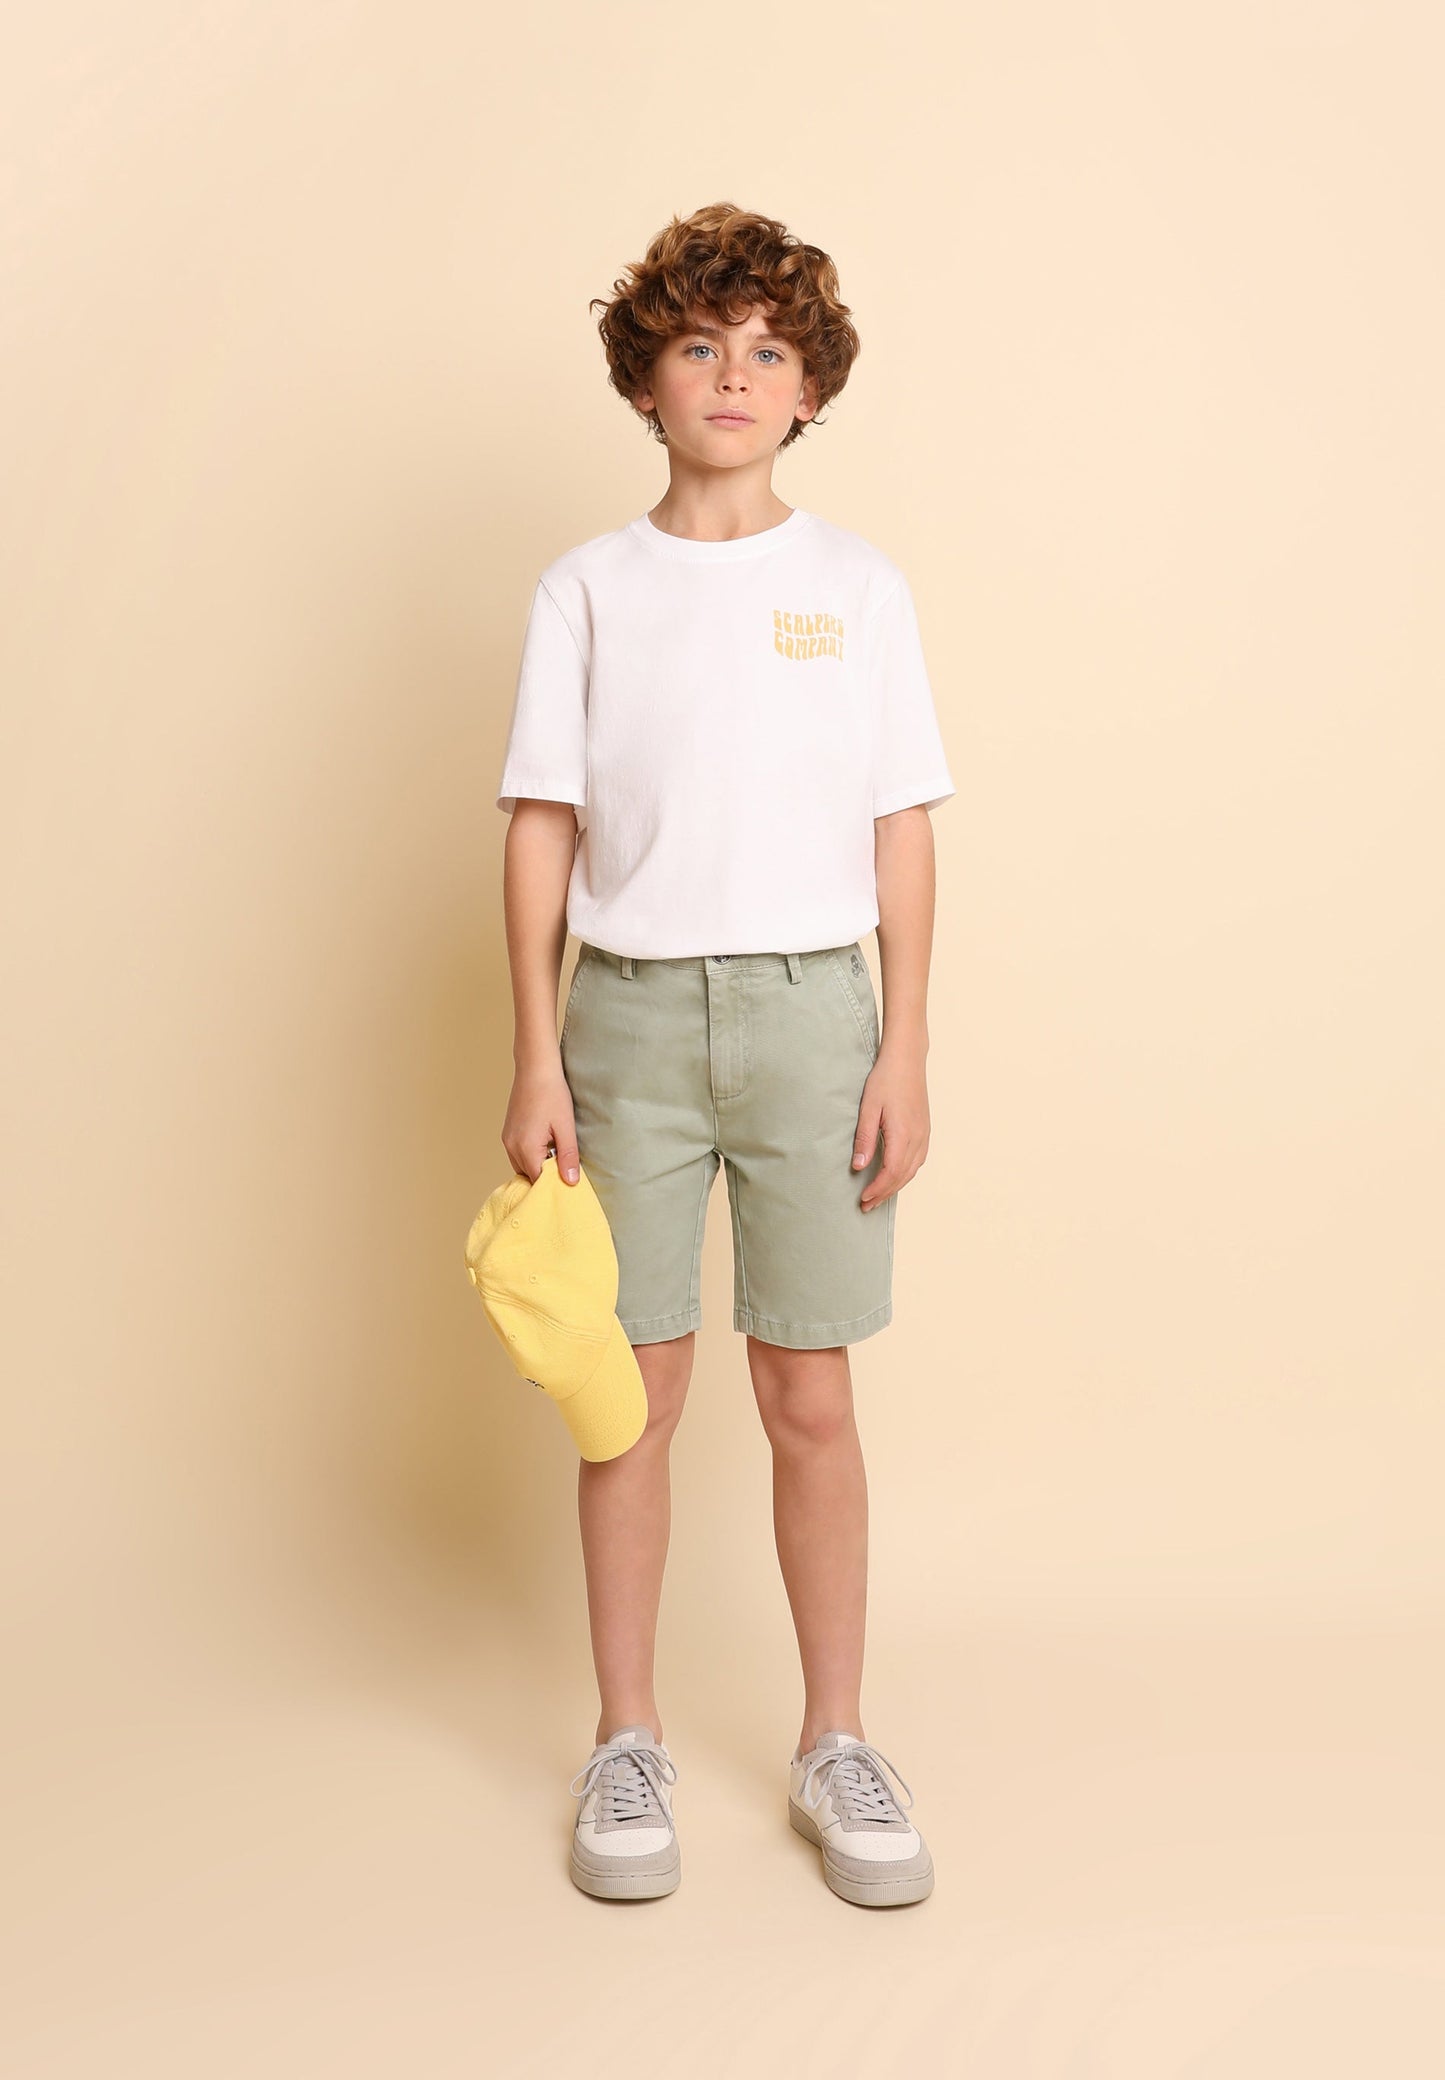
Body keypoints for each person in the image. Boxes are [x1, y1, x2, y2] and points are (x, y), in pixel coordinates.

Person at [495, 202, 954, 1907]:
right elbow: (542, 823)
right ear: (647, 381)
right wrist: (536, 1052)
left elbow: (901, 827)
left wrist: (904, 1045)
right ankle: (627, 1736)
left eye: (768, 350)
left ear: (810, 388)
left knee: (808, 1390)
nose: (734, 375)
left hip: (814, 1020)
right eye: (700, 345)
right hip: (624, 1020)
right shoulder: (587, 590)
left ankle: (837, 1736)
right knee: (632, 1395)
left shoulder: (856, 586)